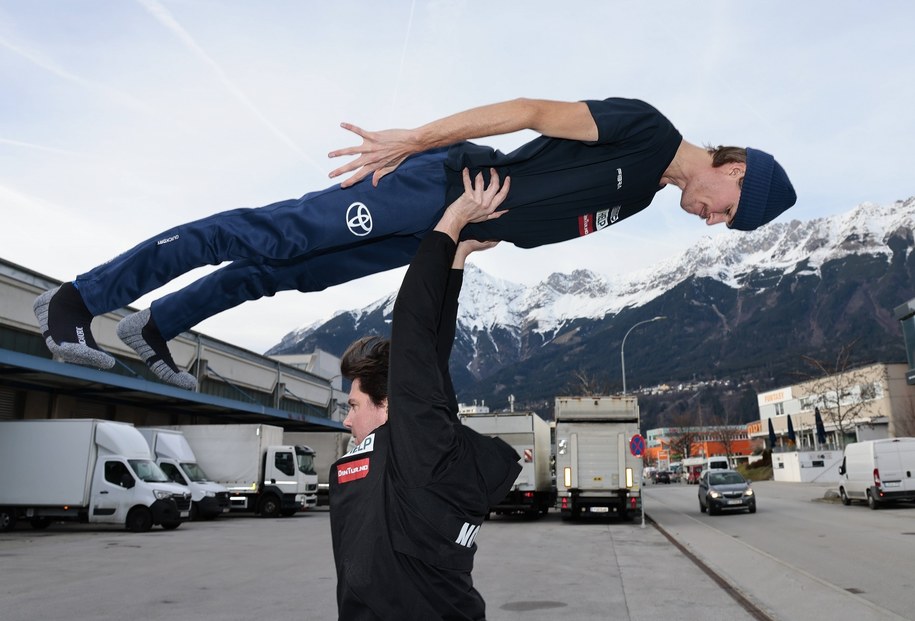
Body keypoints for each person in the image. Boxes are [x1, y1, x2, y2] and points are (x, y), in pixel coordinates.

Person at [33, 97, 797, 389]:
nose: (714, 220)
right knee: (267, 231)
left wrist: (459, 247)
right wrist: (417, 140)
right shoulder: (646, 127)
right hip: (432, 183)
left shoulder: (637, 199)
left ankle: (157, 323)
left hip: (446, 224)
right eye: (730, 209)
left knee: (285, 274)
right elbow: (531, 110)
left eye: (725, 223)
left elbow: (536, 211)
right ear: (732, 167)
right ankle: (80, 297)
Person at [329, 168, 521, 620]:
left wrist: (451, 222)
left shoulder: (419, 451)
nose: (345, 419)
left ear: (392, 402)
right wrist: (456, 258)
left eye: (354, 405)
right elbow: (431, 358)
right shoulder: (434, 455)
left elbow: (414, 329)